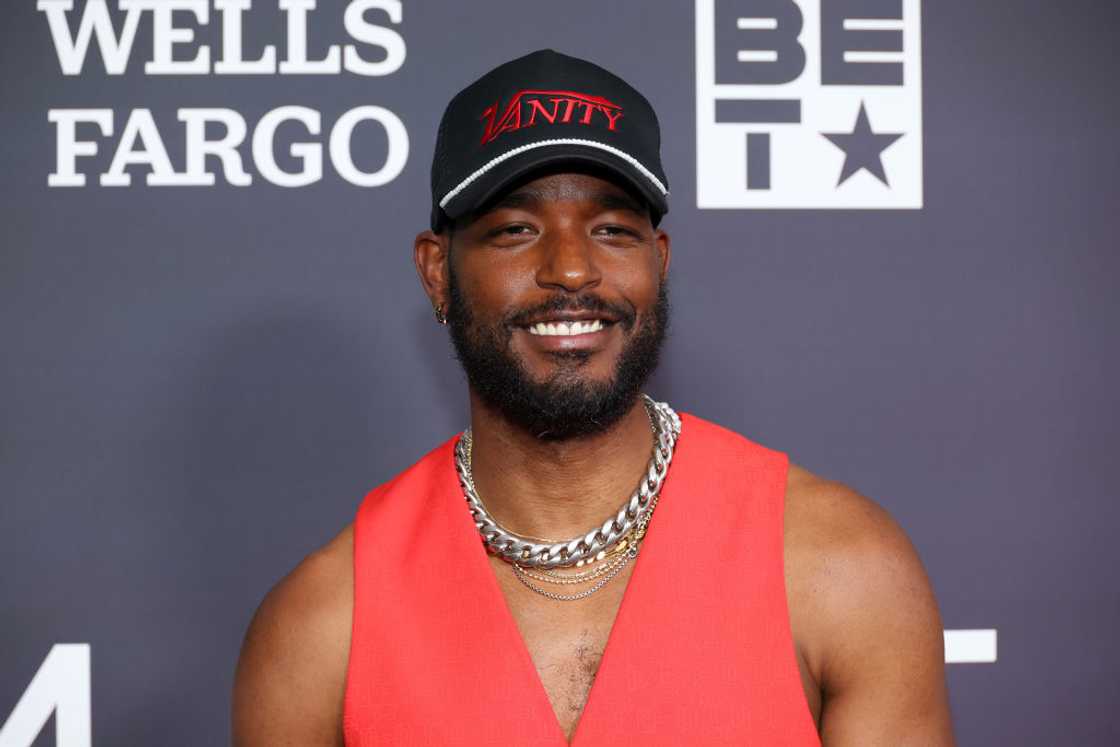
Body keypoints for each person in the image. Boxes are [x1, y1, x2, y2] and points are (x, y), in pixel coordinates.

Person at [232, 49, 955, 746]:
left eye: (612, 229)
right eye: (516, 230)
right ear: (437, 274)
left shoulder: (841, 567)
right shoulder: (320, 627)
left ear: (658, 263)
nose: (572, 268)